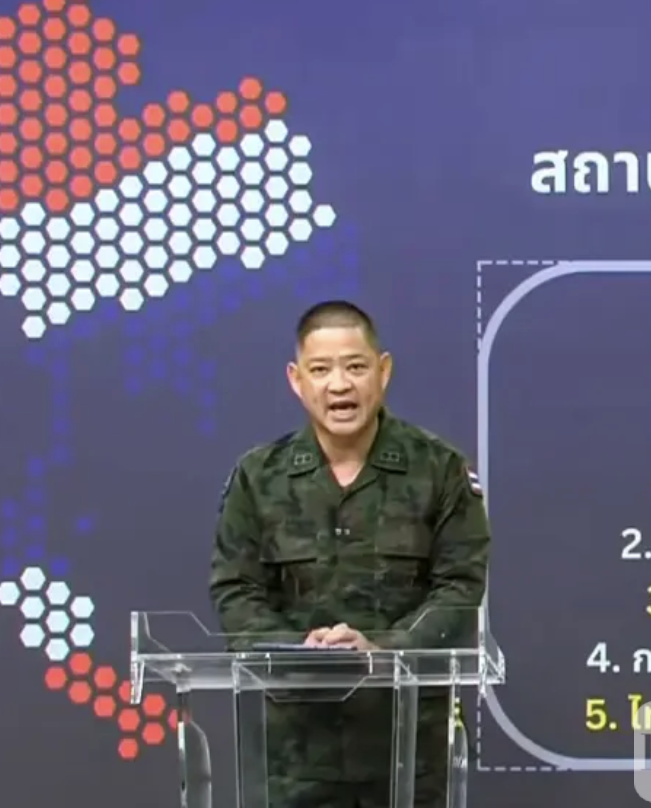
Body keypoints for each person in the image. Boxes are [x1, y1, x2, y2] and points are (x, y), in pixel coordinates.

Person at [208, 300, 491, 808]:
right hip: (294, 751)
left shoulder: (439, 469)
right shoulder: (258, 477)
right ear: (296, 380)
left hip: (409, 749)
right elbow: (235, 589)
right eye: (321, 370)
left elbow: (460, 587)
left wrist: (382, 650)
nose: (339, 385)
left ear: (383, 371)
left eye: (355, 367)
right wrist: (300, 651)